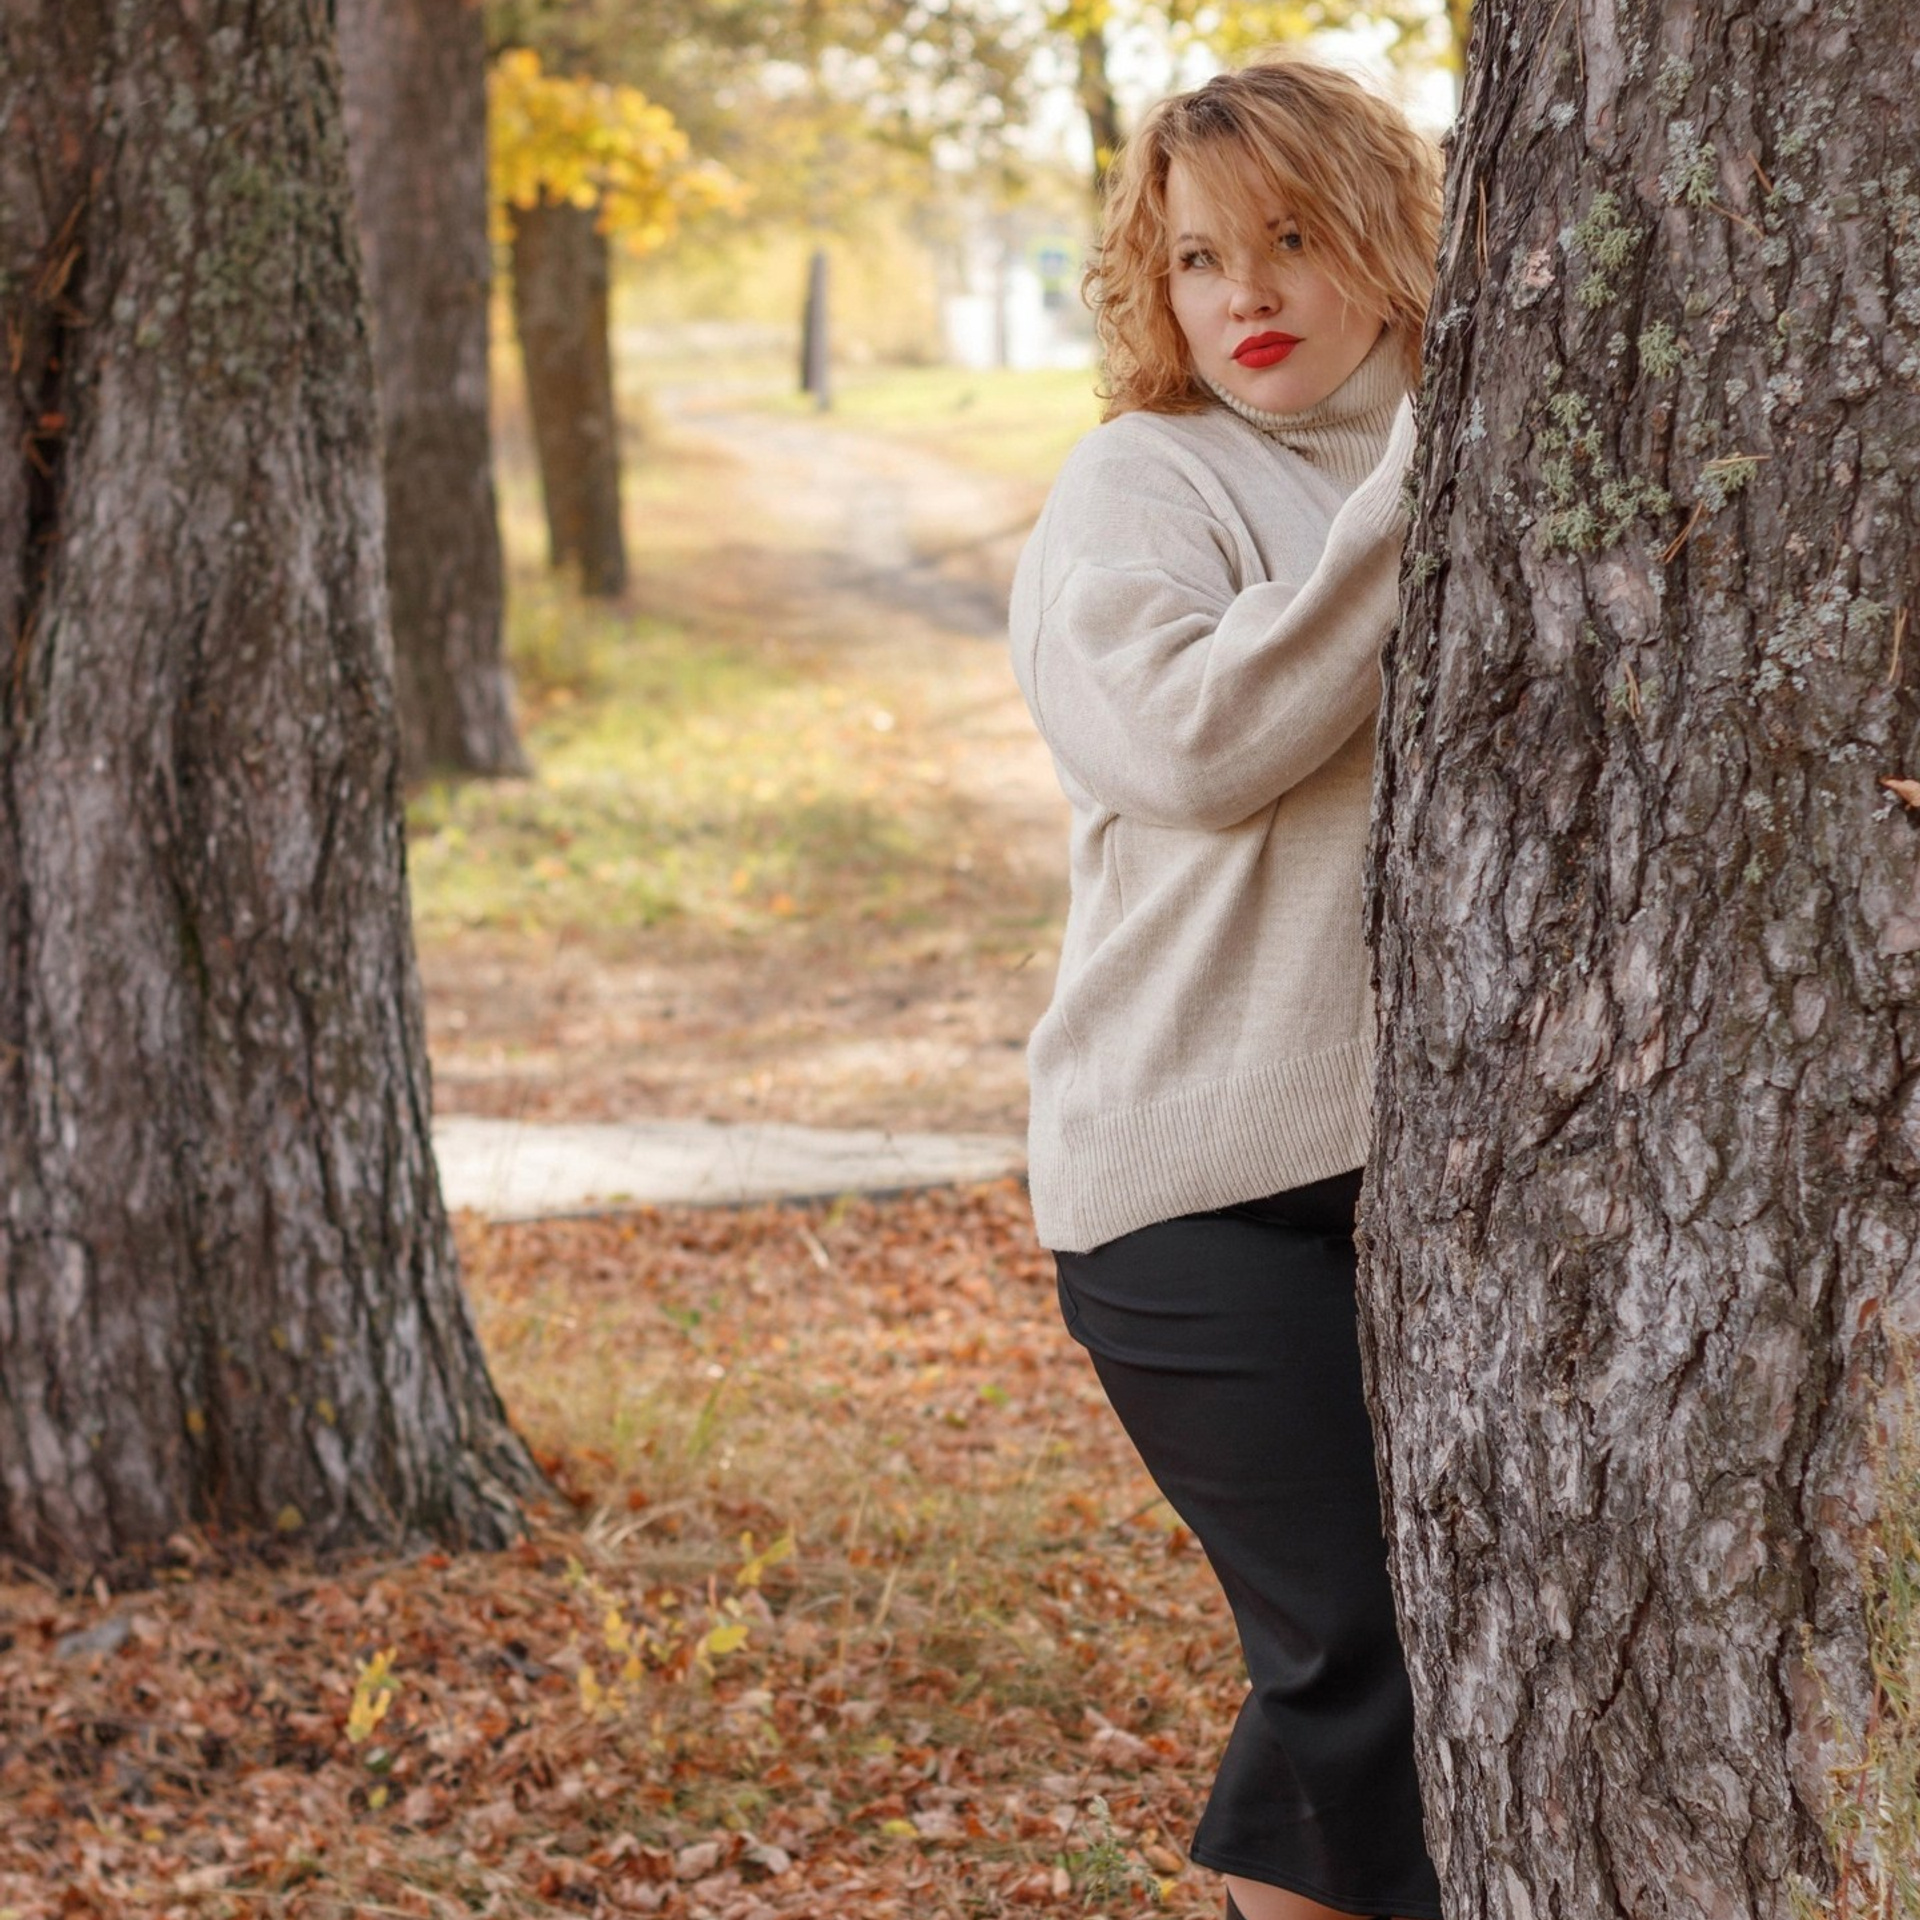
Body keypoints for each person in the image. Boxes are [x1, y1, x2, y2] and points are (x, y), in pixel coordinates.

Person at [1006, 54, 1445, 1920]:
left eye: (1291, 237)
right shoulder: (1142, 480)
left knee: (1432, 1622)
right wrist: (1425, 492)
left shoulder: (1472, 445)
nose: (1245, 294)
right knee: (1367, 1653)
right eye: (1197, 259)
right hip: (1184, 1191)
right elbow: (1190, 743)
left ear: (1390, 237)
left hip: (1431, 1174)